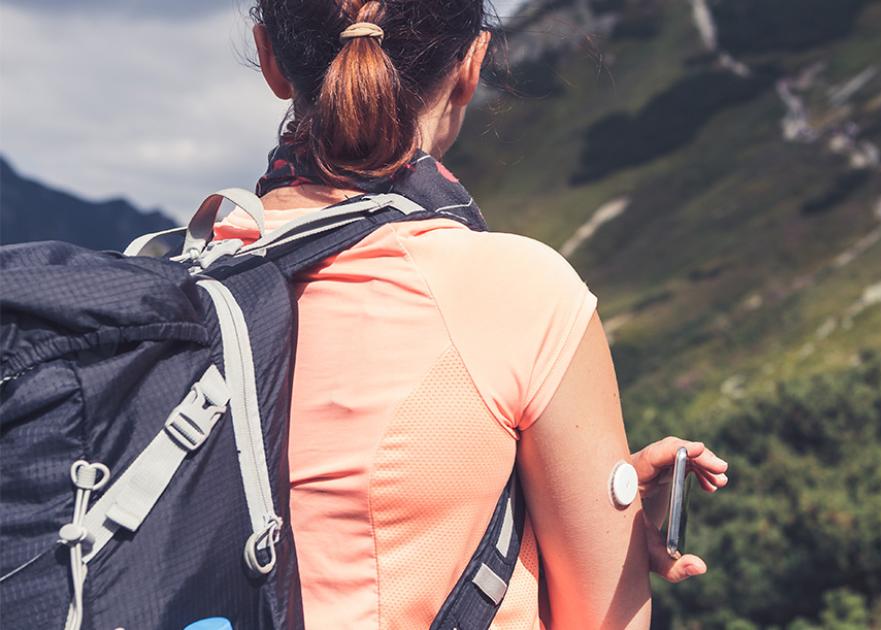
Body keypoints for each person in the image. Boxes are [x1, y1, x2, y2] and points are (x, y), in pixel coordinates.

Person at [214, 1, 731, 627]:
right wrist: (595, 527)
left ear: (269, 58)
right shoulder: (521, 293)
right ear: (471, 65)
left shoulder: (172, 287)